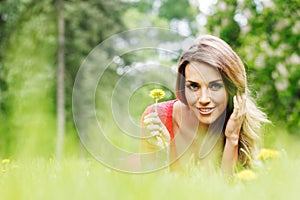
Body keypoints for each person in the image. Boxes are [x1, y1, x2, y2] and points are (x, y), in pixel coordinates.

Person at [141, 35, 269, 174]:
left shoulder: (239, 124)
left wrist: (232, 138)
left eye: (214, 86)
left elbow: (229, 191)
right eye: (194, 86)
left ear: (231, 88)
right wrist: (162, 154)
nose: (203, 99)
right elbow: (150, 190)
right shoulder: (158, 118)